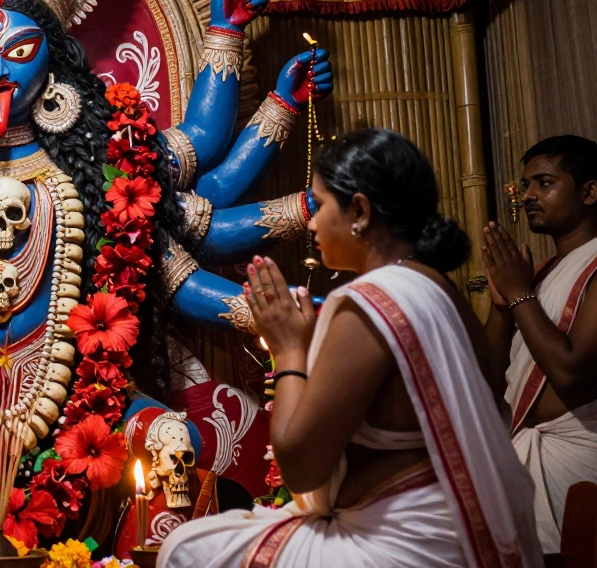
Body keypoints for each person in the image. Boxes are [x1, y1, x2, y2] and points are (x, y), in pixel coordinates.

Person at [159, 128, 541, 568]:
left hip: (402, 543)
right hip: (455, 528)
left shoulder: (368, 307)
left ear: (359, 210)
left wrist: (288, 349)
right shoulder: (438, 288)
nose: (312, 222)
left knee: (186, 549)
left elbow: (302, 469)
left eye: (319, 205)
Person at [483, 135, 597, 555]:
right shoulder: (542, 274)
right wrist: (500, 307)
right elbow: (490, 381)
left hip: (577, 461)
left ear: (589, 192)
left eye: (544, 183)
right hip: (523, 455)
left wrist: (519, 295)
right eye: (525, 185)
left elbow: (570, 373)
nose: (528, 195)